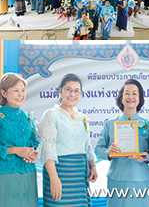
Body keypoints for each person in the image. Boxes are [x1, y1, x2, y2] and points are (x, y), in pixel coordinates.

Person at [95, 79, 149, 207]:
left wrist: (147, 157)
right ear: (121, 97)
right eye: (127, 93)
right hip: (117, 179)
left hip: (142, 179)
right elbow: (99, 148)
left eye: (135, 93)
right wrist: (109, 153)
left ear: (140, 98)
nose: (130, 97)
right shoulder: (110, 123)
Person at [0, 73, 39, 207]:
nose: (21, 94)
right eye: (16, 90)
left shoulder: (27, 116)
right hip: (4, 175)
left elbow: (35, 141)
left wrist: (31, 152)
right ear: (3, 93)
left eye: (23, 90)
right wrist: (15, 150)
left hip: (28, 173)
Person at [38, 73, 97, 206]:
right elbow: (48, 148)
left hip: (79, 175)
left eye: (77, 91)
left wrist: (92, 165)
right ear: (60, 91)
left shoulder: (82, 117)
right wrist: (54, 178)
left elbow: (87, 145)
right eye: (68, 89)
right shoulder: (51, 114)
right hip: (59, 172)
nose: (72, 94)